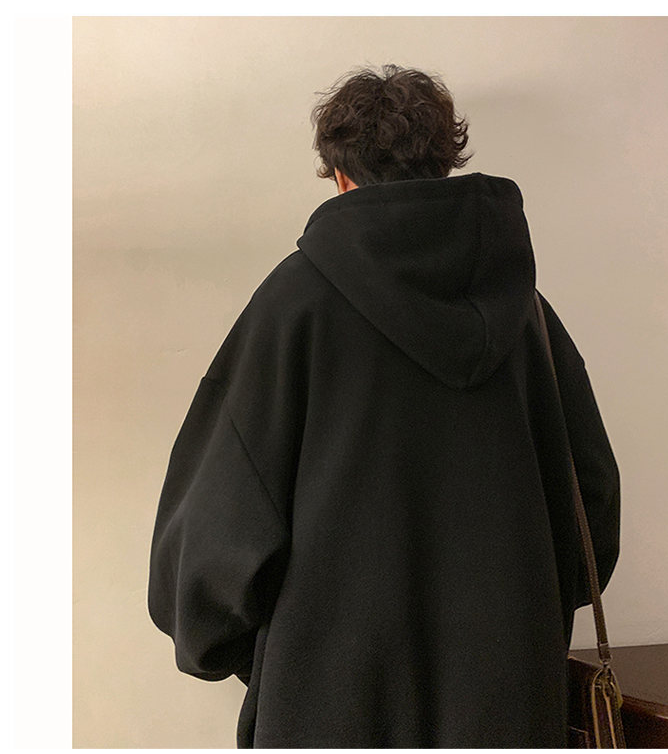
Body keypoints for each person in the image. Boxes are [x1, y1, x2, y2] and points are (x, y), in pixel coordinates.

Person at [147, 63, 621, 748]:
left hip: (331, 702)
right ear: (444, 163)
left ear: (340, 176)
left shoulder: (295, 305)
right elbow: (591, 507)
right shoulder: (528, 316)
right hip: (507, 699)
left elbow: (217, 526)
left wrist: (241, 646)